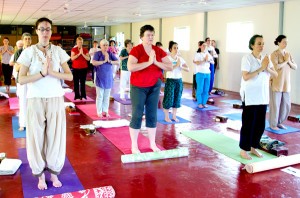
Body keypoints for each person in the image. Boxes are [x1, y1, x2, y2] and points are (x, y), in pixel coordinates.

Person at [17, 17, 73, 190]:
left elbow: (69, 76)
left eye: (48, 29)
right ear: (36, 31)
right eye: (42, 29)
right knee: (36, 137)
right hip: (35, 99)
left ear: (51, 31)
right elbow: (21, 79)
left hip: (55, 98)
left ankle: (54, 173)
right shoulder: (28, 52)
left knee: (55, 137)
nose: (45, 32)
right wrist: (41, 73)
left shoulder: (58, 51)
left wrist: (52, 72)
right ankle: (40, 175)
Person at [128, 25, 172, 154]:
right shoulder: (136, 50)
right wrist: (148, 62)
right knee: (137, 114)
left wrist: (156, 62)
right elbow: (131, 67)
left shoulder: (158, 50)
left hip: (154, 86)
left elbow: (169, 66)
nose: (151, 37)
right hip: (138, 87)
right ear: (141, 37)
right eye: (148, 35)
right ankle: (134, 145)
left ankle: (152, 144)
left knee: (152, 114)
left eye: (152, 35)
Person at [239, 34, 277, 160]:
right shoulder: (247, 58)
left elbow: (275, 74)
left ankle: (253, 147)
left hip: (263, 96)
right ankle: (244, 149)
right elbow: (246, 76)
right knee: (248, 124)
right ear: (252, 45)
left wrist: (267, 67)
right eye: (259, 43)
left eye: (263, 43)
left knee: (260, 125)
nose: (262, 46)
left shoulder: (266, 58)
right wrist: (262, 68)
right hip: (250, 96)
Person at [269, 35, 297, 130]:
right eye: (284, 42)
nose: (286, 44)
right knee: (275, 105)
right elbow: (276, 67)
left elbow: (295, 67)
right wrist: (286, 61)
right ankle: (273, 124)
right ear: (278, 43)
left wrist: (288, 61)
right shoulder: (274, 54)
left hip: (286, 84)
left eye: (286, 42)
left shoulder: (288, 54)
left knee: (286, 105)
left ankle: (279, 122)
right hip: (277, 83)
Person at [163, 41, 189, 122]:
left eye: (177, 48)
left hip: (179, 80)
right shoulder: (167, 58)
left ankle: (174, 116)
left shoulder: (180, 59)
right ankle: (166, 117)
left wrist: (181, 66)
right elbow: (167, 69)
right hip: (170, 80)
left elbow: (188, 69)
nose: (176, 49)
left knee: (177, 98)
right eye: (174, 48)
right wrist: (177, 65)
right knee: (169, 98)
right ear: (170, 49)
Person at [92, 39, 119, 118]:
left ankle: (105, 111)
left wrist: (110, 61)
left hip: (108, 77)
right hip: (100, 77)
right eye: (104, 45)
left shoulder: (110, 54)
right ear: (100, 46)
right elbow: (94, 62)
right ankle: (99, 112)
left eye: (107, 45)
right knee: (100, 96)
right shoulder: (98, 53)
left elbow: (117, 62)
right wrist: (104, 61)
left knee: (106, 96)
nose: (105, 46)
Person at [13, 33, 32, 131]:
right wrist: (26, 61)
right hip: (22, 80)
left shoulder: (34, 51)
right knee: (23, 102)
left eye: (29, 39)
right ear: (23, 40)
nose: (28, 41)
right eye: (26, 39)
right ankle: (23, 123)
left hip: (32, 80)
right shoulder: (19, 52)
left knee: (33, 102)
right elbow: (16, 68)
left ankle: (32, 123)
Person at [193, 41, 214, 108]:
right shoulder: (197, 54)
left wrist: (208, 60)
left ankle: (204, 103)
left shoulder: (207, 54)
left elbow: (212, 62)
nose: (205, 47)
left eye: (205, 46)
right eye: (203, 45)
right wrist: (204, 60)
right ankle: (199, 103)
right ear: (200, 46)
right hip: (200, 73)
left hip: (207, 73)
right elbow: (197, 62)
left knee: (206, 89)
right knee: (200, 89)